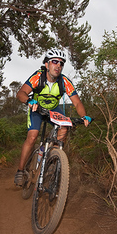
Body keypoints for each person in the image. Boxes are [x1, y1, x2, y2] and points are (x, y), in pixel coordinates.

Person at [14, 49, 91, 186]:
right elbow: (21, 93)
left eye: (61, 63)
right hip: (37, 108)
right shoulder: (38, 76)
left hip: (54, 110)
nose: (58, 66)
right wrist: (29, 101)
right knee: (32, 137)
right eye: (54, 62)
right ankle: (20, 171)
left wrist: (84, 116)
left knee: (64, 127)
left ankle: (53, 159)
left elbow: (77, 102)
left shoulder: (64, 81)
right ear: (46, 64)